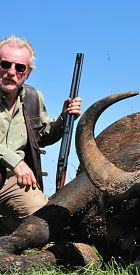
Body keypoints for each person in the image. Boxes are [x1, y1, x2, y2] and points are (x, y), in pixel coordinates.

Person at [0, 35, 82, 234]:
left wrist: (64, 118)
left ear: (27, 73)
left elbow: (43, 136)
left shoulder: (33, 97)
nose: (11, 72)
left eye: (20, 68)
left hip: (9, 181)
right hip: (15, 170)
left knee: (44, 220)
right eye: (5, 64)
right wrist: (17, 163)